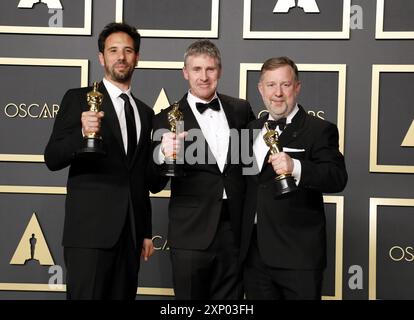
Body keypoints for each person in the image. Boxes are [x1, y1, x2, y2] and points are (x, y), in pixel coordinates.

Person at [44, 22, 155, 300]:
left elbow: (138, 176)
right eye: (113, 50)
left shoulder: (145, 112)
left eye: (128, 50)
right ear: (101, 57)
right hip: (89, 236)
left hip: (129, 237)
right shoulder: (78, 99)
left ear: (137, 58)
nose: (121, 57)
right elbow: (52, 157)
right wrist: (83, 133)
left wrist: (144, 232)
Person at [152, 40, 255, 299]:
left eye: (210, 69)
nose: (204, 76)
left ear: (219, 71)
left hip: (235, 230)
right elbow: (153, 182)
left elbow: (252, 165)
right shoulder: (166, 117)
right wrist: (163, 154)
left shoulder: (241, 110)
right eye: (197, 69)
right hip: (191, 234)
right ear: (185, 73)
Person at [240, 56, 347, 300]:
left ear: (297, 87)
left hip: (299, 257)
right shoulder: (249, 130)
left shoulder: (320, 129)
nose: (277, 93)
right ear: (260, 89)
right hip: (254, 256)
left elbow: (337, 177)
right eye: (270, 85)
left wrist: (296, 166)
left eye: (285, 85)